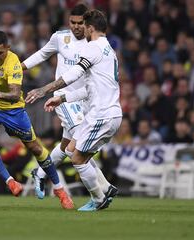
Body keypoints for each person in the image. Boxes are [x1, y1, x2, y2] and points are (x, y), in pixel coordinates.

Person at [0, 31, 73, 209]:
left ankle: (59, 189)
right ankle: (10, 181)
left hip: (13, 110)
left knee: (35, 148)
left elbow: (16, 94)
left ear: (8, 48)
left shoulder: (13, 62)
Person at [25, 10, 123, 211]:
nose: (80, 28)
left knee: (77, 156)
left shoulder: (93, 48)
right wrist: (61, 97)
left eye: (84, 25)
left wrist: (44, 89)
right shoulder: (109, 51)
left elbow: (74, 74)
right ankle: (43, 173)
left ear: (90, 28)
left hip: (101, 114)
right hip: (100, 111)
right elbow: (89, 88)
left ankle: (99, 197)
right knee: (69, 147)